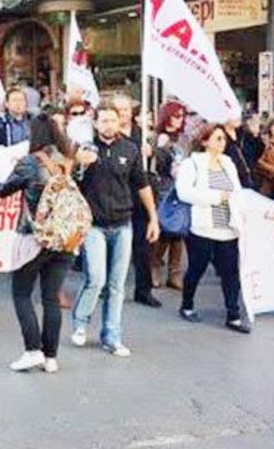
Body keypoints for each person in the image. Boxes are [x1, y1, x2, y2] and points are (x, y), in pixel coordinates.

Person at [0, 114, 74, 373]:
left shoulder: (30, 163)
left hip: (35, 237)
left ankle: (32, 350)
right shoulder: (67, 162)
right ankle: (51, 358)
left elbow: (3, 190)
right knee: (50, 298)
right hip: (65, 239)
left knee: (22, 293)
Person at [71, 102, 160, 357]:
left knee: (116, 284)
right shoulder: (85, 150)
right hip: (94, 224)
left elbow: (142, 185)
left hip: (123, 223)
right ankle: (80, 323)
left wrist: (153, 218)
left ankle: (112, 335)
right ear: (96, 123)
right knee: (96, 278)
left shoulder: (129, 149)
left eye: (113, 120)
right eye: (104, 120)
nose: (109, 125)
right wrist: (80, 165)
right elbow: (71, 183)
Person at [176, 124, 250, 334]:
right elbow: (184, 192)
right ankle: (187, 304)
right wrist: (216, 197)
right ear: (205, 141)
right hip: (203, 228)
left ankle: (233, 314)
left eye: (223, 139)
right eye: (217, 138)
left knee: (230, 271)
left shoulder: (228, 163)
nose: (222, 143)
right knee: (197, 268)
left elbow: (236, 191)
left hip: (228, 227)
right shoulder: (193, 164)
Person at [112, 95, 161, 308]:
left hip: (141, 193)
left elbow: (161, 161)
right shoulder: (110, 136)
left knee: (143, 247)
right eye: (119, 110)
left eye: (126, 109)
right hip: (117, 195)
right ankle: (109, 288)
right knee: (115, 246)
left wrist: (152, 152)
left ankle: (144, 289)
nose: (124, 114)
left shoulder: (142, 135)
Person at [153, 101, 188, 290]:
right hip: (165, 186)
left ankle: (175, 273)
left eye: (182, 116)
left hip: (182, 186)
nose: (179, 119)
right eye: (176, 115)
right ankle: (155, 266)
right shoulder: (158, 138)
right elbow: (157, 165)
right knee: (165, 228)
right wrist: (161, 149)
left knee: (179, 230)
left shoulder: (183, 139)